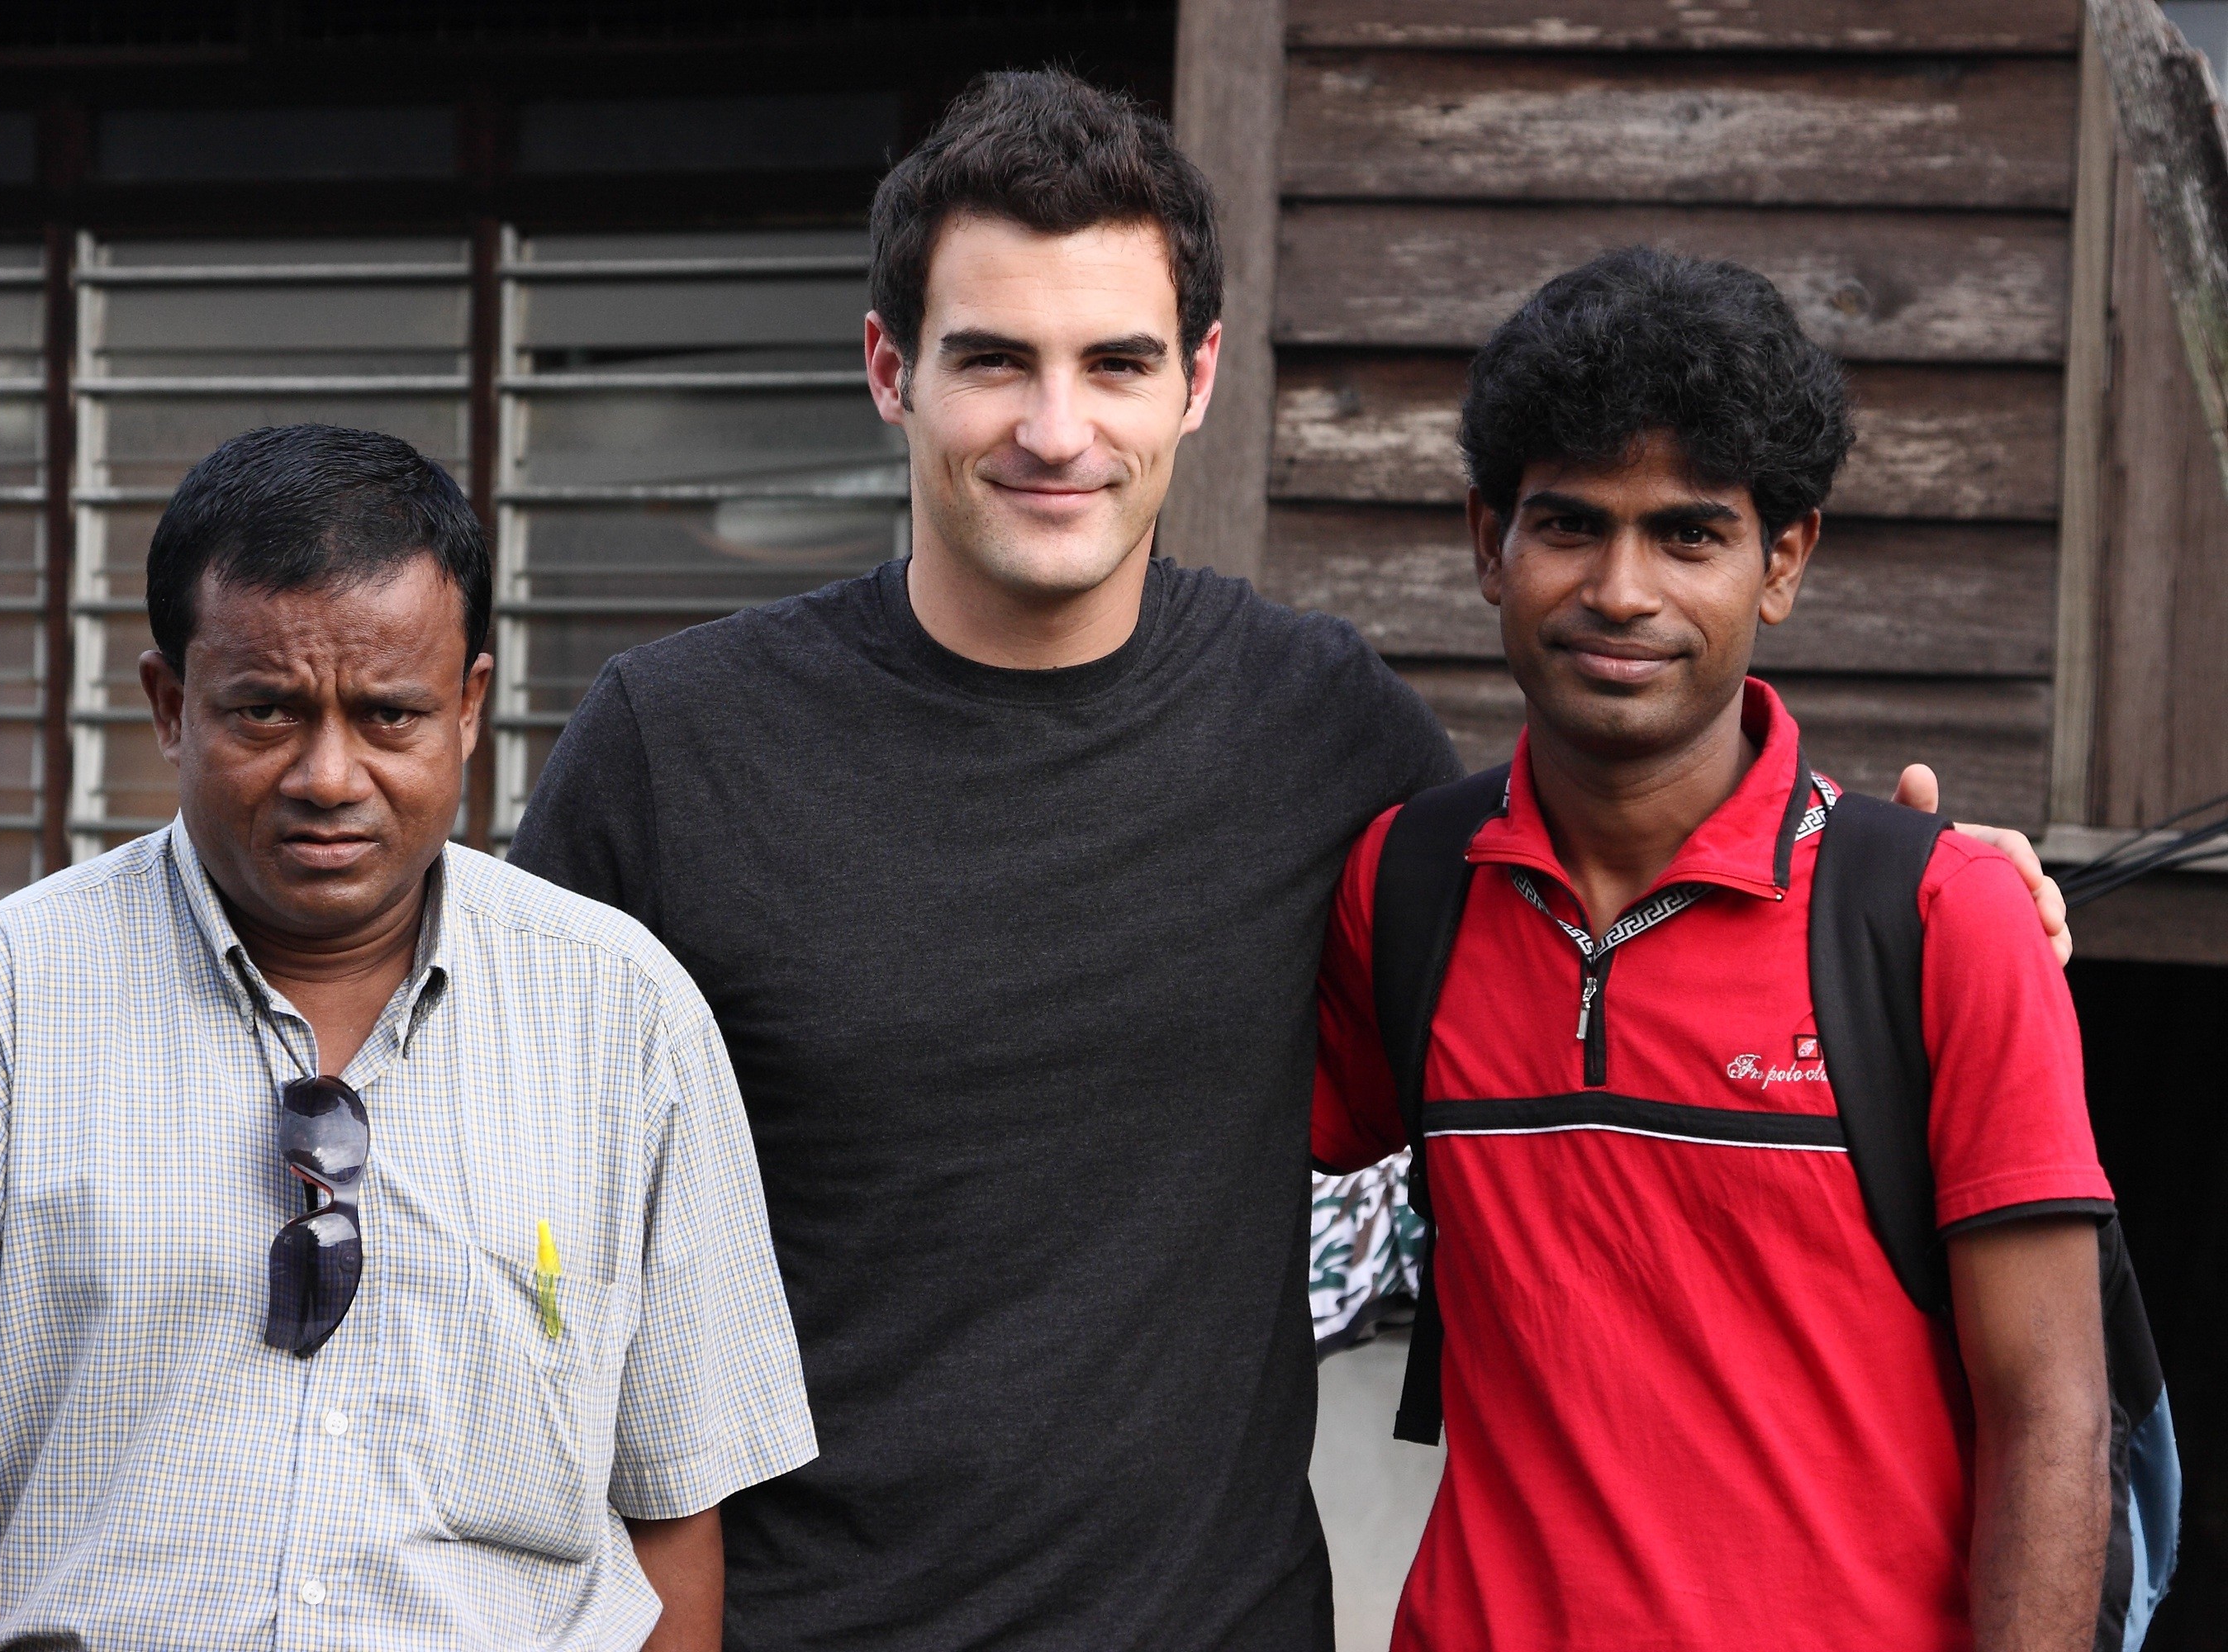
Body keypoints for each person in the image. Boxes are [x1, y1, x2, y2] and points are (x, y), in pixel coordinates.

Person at [506, 73, 2071, 1650]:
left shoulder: (1322, 728)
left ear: (1193, 383)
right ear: (888, 370)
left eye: (1115, 363)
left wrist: (1914, 893)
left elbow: (1614, 853)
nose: (1058, 430)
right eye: (995, 361)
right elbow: (506, 1237)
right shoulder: (671, 748)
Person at [0, 425, 814, 1651]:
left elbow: (675, 1516)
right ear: (169, 703)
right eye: (264, 711)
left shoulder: (629, 1025)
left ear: (468, 709)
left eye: (388, 715)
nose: (327, 774)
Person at [1311, 249, 2114, 1650]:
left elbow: (2051, 1411)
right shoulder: (1407, 890)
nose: (1622, 590)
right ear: (1485, 539)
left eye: (1688, 534)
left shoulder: (1935, 924)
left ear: (1782, 560)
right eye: (1569, 524)